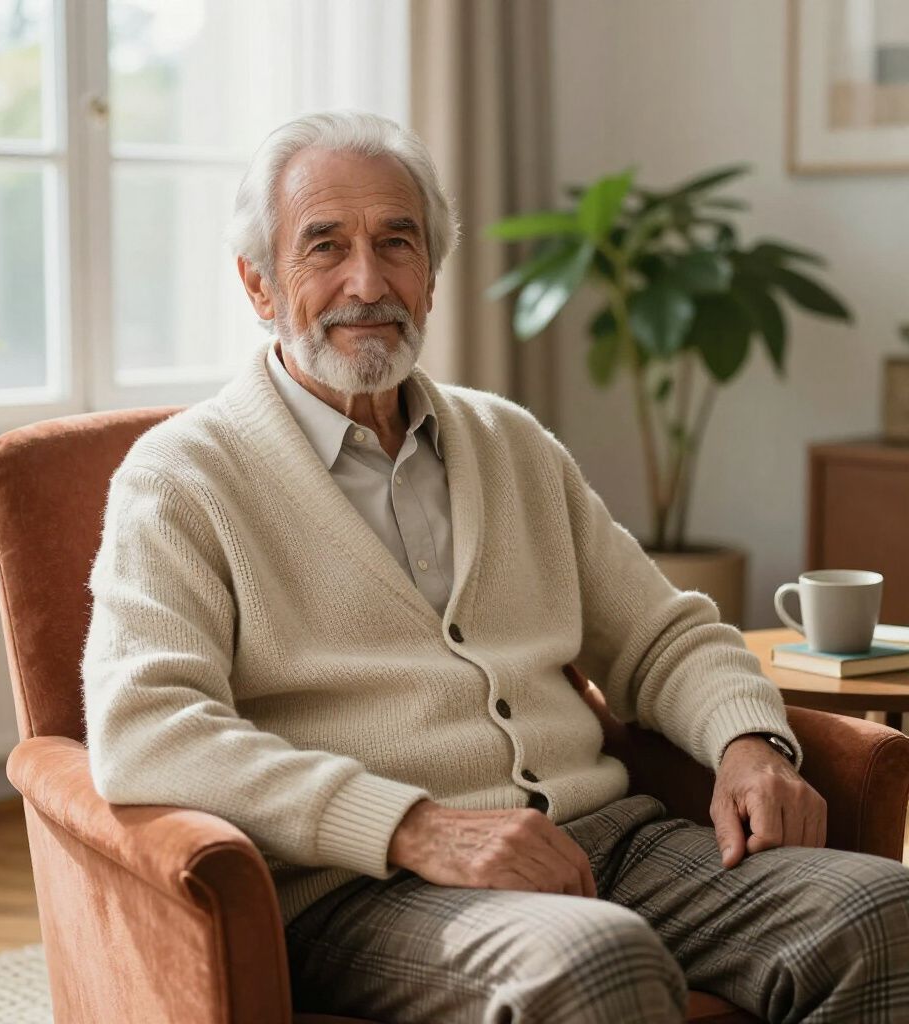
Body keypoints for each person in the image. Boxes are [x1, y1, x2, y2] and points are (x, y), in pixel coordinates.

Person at [82, 110, 909, 1024]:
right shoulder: (182, 478)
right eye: (324, 247)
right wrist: (415, 826)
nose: (368, 280)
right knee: (596, 964)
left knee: (884, 913)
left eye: (398, 242)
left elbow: (662, 633)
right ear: (260, 284)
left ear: (431, 275)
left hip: (612, 843)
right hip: (368, 885)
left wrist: (749, 744)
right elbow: (146, 729)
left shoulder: (510, 442)